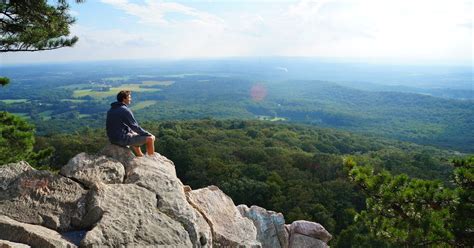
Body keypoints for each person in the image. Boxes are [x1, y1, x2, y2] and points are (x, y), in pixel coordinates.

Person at [106, 90, 155, 156]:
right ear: (124, 98)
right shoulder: (124, 110)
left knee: (134, 133)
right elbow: (134, 126)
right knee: (150, 139)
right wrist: (148, 134)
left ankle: (140, 155)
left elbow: (122, 125)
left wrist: (133, 132)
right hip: (120, 139)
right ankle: (152, 159)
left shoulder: (111, 109)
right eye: (129, 97)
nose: (130, 99)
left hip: (112, 138)